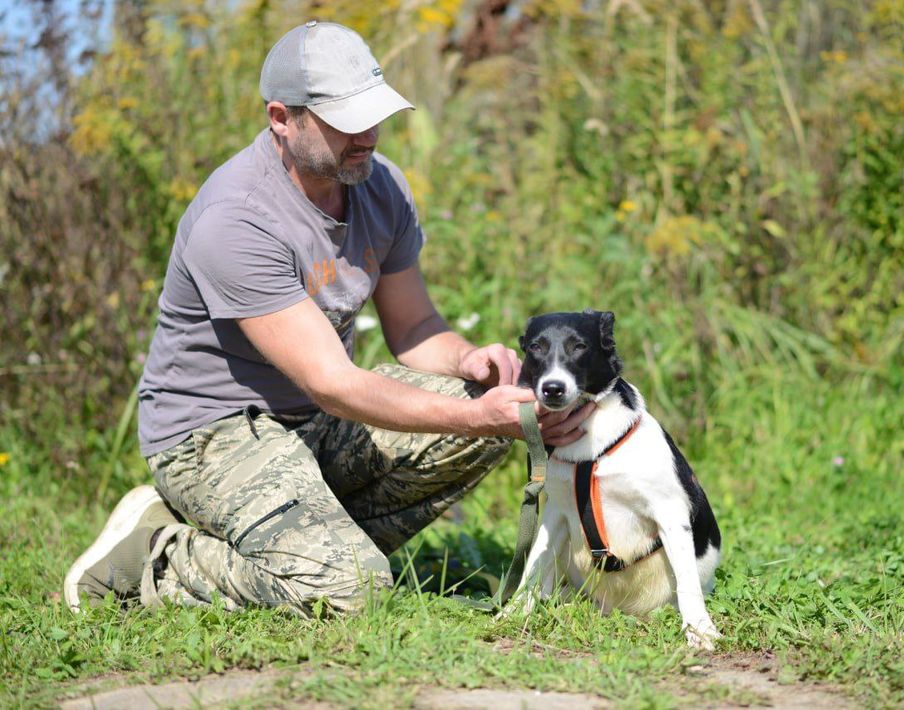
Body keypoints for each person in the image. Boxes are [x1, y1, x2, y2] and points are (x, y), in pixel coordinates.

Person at [63, 21, 592, 615]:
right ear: (281, 118)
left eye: (374, 114)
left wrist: (469, 361)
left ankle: (303, 544)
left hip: (315, 421)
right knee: (350, 590)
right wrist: (477, 418)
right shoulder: (236, 219)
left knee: (487, 406)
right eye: (345, 120)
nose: (366, 135)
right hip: (214, 433)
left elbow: (414, 330)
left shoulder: (380, 185)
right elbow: (332, 382)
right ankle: (155, 555)